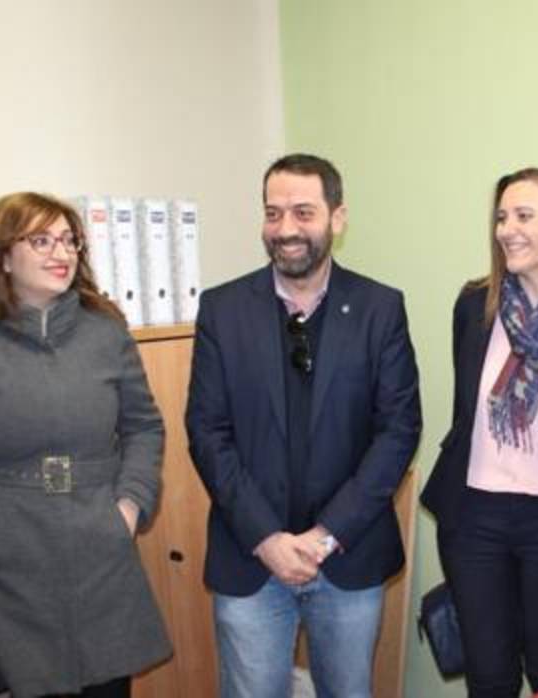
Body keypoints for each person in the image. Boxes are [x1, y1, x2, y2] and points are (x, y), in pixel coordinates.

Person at [0, 192, 172, 697]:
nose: (62, 252)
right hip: (4, 576)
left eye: (69, 240)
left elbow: (144, 427)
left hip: (102, 559)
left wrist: (130, 506)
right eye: (41, 239)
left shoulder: (107, 332)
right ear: (4, 256)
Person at [186, 153, 422, 698]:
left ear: (338, 218)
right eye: (273, 213)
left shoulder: (379, 308)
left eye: (302, 212)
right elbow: (207, 430)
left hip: (347, 555)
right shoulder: (223, 310)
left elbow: (398, 430)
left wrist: (324, 535)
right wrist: (267, 537)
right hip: (250, 557)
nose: (285, 229)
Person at [421, 167, 538, 696]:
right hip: (474, 515)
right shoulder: (473, 305)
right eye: (502, 217)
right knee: (488, 673)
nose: (507, 228)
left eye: (524, 215)